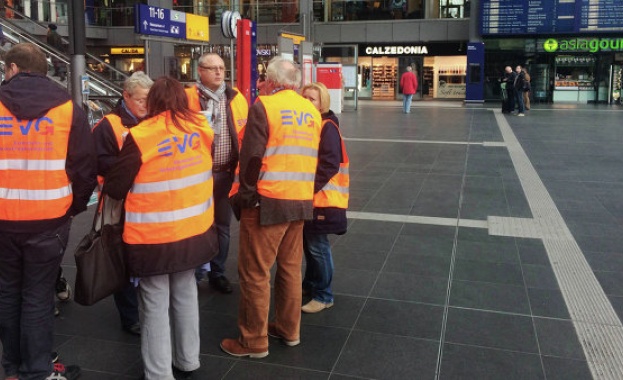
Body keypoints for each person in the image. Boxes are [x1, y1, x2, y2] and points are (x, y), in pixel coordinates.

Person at [102, 76, 219, 380]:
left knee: (154, 301)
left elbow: (115, 185)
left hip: (153, 236)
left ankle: (158, 373)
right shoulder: (202, 129)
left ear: (153, 101)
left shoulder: (142, 135)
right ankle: (188, 359)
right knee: (185, 291)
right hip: (195, 231)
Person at [0, 43, 97, 380]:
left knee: (9, 292)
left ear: (12, 69)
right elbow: (85, 169)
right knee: (38, 296)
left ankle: (13, 369)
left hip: (3, 219)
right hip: (48, 220)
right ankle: (37, 372)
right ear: (43, 71)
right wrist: (73, 207)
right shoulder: (68, 109)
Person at [220, 57, 322, 358]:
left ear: (274, 82)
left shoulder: (265, 106)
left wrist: (247, 196)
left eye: (265, 78)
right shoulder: (312, 111)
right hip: (300, 200)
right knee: (290, 270)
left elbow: (251, 158)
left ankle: (254, 341)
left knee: (255, 273)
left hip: (268, 202)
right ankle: (290, 331)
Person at [92, 71, 154, 336]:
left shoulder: (152, 121)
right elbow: (97, 161)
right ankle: (130, 317)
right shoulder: (109, 125)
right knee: (122, 261)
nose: (146, 105)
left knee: (144, 258)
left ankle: (147, 308)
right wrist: (129, 166)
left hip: (149, 203)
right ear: (126, 96)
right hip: (119, 204)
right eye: (141, 100)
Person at [185, 52, 248, 294]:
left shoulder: (236, 98)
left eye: (221, 68)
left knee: (222, 225)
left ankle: (217, 271)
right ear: (199, 71)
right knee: (195, 224)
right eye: (213, 68)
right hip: (195, 175)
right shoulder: (186, 98)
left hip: (225, 174)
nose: (219, 72)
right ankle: (194, 272)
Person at [300, 82, 349, 314]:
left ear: (323, 104)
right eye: (305, 97)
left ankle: (323, 295)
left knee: (318, 247)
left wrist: (308, 189)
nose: (307, 102)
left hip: (322, 199)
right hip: (315, 198)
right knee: (311, 245)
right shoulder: (314, 124)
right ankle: (311, 285)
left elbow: (329, 164)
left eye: (313, 99)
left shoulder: (326, 126)